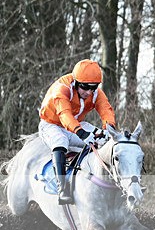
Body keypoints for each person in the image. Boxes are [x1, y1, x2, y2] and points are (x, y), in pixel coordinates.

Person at [38, 59, 116, 204]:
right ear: (76, 82)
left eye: (93, 88)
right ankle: (62, 189)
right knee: (60, 141)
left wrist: (108, 129)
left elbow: (106, 109)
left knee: (104, 141)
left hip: (76, 124)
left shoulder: (95, 92)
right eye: (85, 87)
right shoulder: (62, 88)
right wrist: (81, 133)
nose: (89, 92)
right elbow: (64, 114)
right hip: (51, 125)